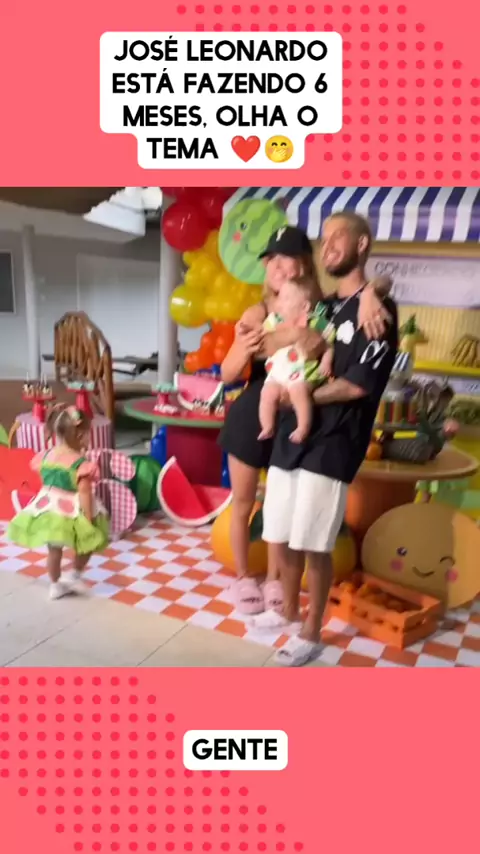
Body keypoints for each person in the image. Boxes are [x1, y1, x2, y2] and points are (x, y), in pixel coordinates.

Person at [219, 224, 393, 617]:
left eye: (288, 259)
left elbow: (372, 286)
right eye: (272, 260)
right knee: (244, 502)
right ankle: (244, 576)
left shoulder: (321, 306)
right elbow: (230, 371)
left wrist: (371, 292)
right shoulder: (258, 312)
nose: (279, 267)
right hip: (254, 412)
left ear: (304, 265)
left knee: (277, 508)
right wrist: (269, 340)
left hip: (296, 419)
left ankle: (277, 582)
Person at [257, 211, 399, 666]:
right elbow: (283, 329)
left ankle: (312, 630)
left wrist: (299, 397)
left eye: (339, 235)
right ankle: (288, 610)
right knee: (282, 532)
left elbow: (357, 385)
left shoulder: (379, 312)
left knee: (314, 541)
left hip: (334, 442)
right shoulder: (324, 306)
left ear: (362, 244)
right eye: (325, 237)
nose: (328, 244)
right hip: (292, 436)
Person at [7, 404, 109, 600]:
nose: (90, 437)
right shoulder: (81, 464)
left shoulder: (46, 455)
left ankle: (55, 585)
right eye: (89, 433)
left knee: (54, 551)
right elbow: (85, 493)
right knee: (88, 542)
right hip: (71, 508)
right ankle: (75, 574)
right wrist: (88, 519)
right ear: (81, 436)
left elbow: (45, 478)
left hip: (48, 506)